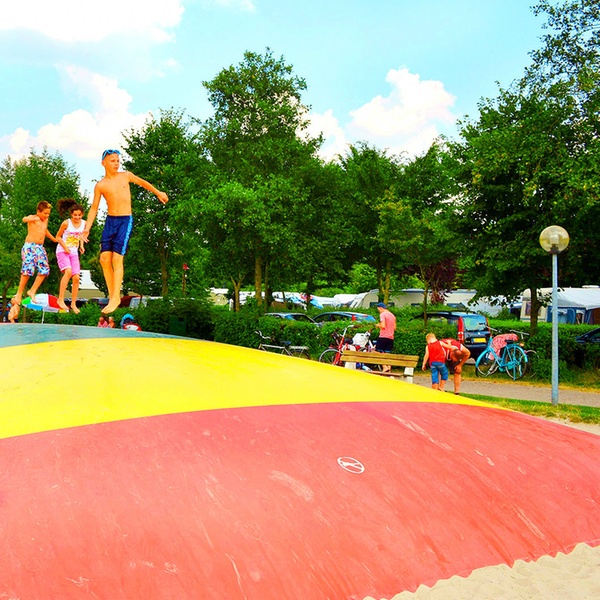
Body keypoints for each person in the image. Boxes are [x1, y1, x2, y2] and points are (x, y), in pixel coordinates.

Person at [81, 149, 168, 314]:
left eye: (117, 160)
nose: (116, 163)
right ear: (103, 163)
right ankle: (113, 296)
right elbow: (94, 208)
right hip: (110, 221)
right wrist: (86, 229)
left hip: (124, 220)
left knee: (116, 258)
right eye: (112, 160)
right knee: (104, 259)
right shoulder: (100, 185)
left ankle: (116, 297)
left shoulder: (125, 176)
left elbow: (143, 183)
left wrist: (158, 193)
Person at [9, 201, 68, 321]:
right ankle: (19, 293)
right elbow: (24, 219)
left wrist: (54, 239)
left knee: (45, 270)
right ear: (38, 212)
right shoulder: (34, 218)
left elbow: (45, 231)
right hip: (29, 246)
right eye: (45, 213)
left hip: (40, 248)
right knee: (27, 270)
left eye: (48, 213)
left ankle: (32, 290)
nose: (47, 215)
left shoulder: (45, 220)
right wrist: (31, 218)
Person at [55, 198, 86, 313]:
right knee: (68, 272)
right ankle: (60, 299)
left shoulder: (84, 224)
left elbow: (81, 236)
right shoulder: (66, 223)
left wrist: (81, 245)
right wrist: (65, 247)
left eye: (79, 215)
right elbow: (58, 237)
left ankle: (73, 303)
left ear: (82, 214)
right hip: (62, 250)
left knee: (76, 277)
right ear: (71, 214)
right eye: (75, 215)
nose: (77, 217)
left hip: (74, 252)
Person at [375, 302, 397, 373]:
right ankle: (389, 368)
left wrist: (377, 325)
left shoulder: (383, 314)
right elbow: (394, 328)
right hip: (391, 337)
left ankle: (384, 367)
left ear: (380, 308)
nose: (379, 311)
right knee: (387, 354)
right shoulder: (392, 315)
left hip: (383, 336)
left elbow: (383, 326)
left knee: (377, 352)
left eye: (378, 309)